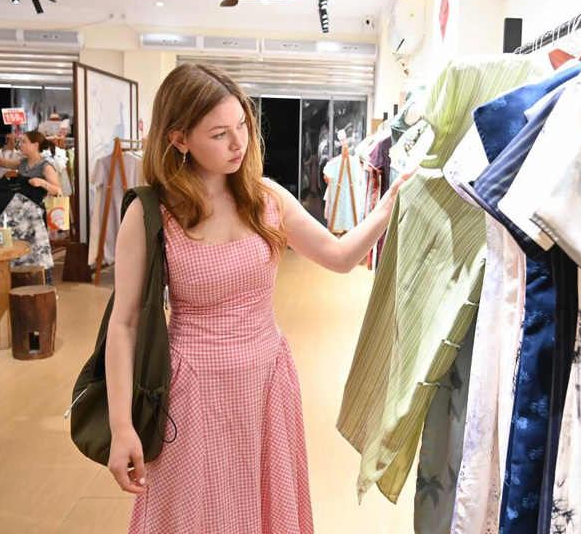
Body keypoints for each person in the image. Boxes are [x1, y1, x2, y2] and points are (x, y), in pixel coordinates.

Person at [105, 63, 414, 533]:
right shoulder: (152, 213)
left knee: (266, 510)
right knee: (194, 516)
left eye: (243, 127)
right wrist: (122, 426)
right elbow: (124, 323)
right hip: (191, 392)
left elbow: (338, 255)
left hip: (267, 379)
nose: (238, 144)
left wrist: (388, 206)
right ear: (178, 139)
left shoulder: (265, 197)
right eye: (219, 134)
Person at [0, 130, 63, 285]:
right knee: (20, 255)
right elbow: (2, 162)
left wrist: (42, 183)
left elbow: (58, 190)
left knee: (40, 252)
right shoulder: (22, 162)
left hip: (34, 219)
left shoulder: (45, 166)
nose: (20, 144)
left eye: (24, 141)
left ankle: (46, 288)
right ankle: (22, 286)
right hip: (17, 219)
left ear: (35, 145)